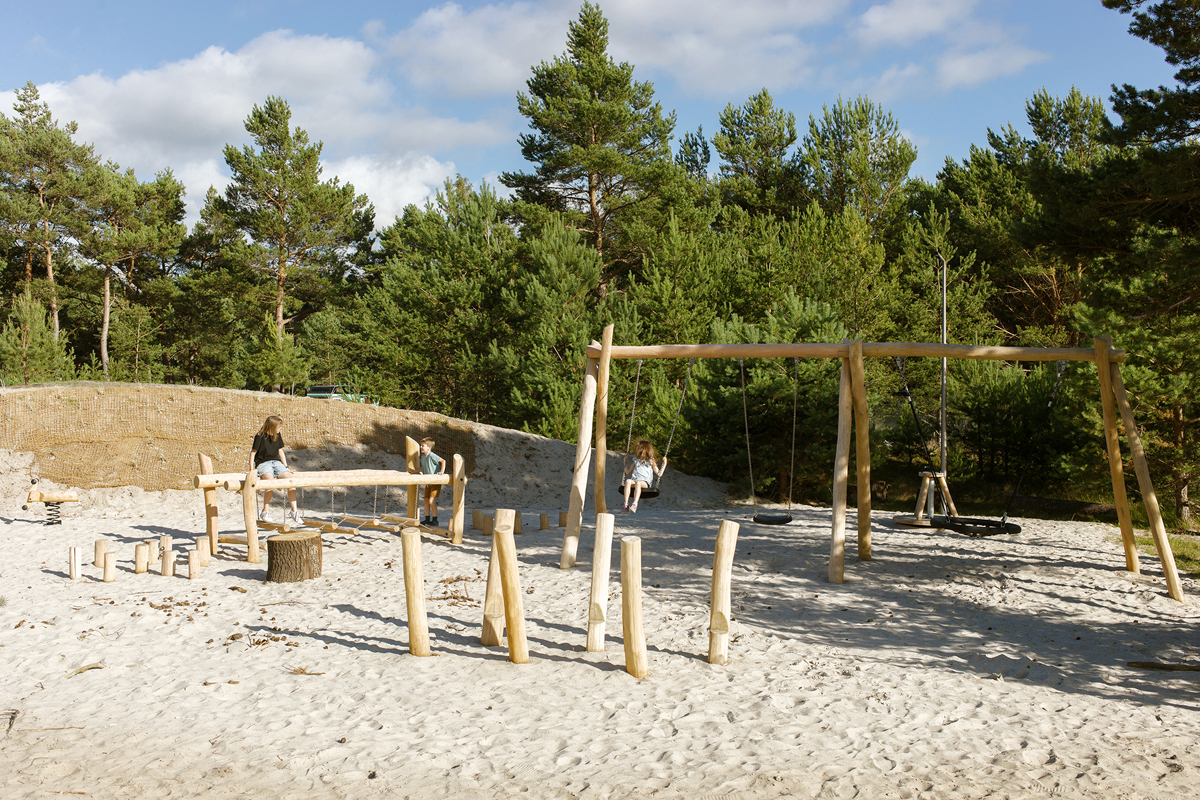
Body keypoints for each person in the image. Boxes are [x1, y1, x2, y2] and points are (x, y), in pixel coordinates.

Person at [250, 415, 302, 526]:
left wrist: (286, 467)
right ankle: (265, 511)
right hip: (263, 463)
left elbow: (280, 451)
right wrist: (251, 470)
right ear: (272, 427)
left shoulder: (277, 435)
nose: (280, 429)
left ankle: (294, 511)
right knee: (270, 482)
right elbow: (253, 453)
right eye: (279, 427)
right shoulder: (259, 436)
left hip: (276, 462)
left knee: (290, 481)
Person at [623, 439, 666, 513]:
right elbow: (627, 471)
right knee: (628, 481)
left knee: (638, 483)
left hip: (645, 483)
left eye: (638, 448)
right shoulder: (636, 461)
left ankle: (635, 504)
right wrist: (625, 462)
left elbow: (659, 474)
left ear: (643, 450)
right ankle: (626, 504)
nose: (636, 450)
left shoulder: (651, 461)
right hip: (635, 481)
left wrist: (664, 463)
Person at [417, 437, 446, 527]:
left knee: (431, 501)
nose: (421, 447)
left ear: (429, 447)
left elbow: (443, 461)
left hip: (435, 481)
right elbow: (423, 467)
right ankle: (427, 519)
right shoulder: (423, 457)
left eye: (423, 446)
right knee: (426, 501)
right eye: (421, 445)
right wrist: (414, 471)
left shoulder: (432, 455)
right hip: (428, 482)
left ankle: (435, 520)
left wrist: (441, 471)